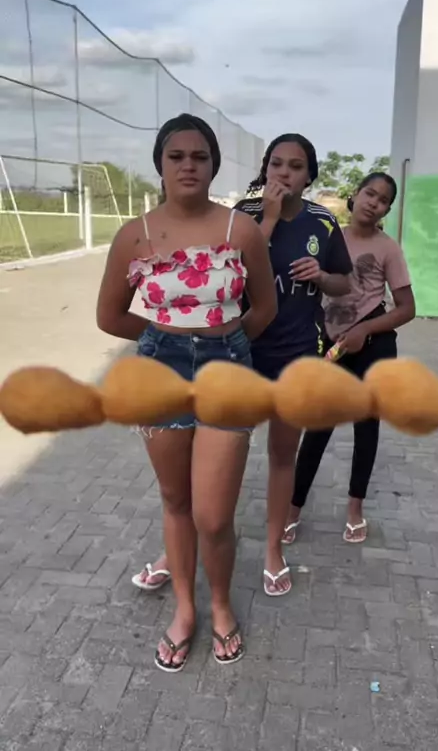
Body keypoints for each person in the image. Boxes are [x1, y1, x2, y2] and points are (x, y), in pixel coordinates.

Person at [96, 113, 276, 672]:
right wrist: (164, 339)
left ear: (214, 165)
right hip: (161, 372)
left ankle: (221, 605)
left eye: (200, 156)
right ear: (161, 164)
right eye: (177, 156)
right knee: (176, 501)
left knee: (214, 516)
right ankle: (185, 610)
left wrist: (225, 343)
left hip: (227, 370)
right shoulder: (135, 235)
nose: (189, 166)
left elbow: (265, 308)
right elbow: (109, 316)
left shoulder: (240, 231)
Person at [234, 134, 353, 595]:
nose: (284, 173)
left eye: (296, 166)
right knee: (224, 453)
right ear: (265, 169)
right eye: (276, 164)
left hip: (297, 354)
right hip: (242, 352)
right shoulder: (243, 215)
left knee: (283, 455)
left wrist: (321, 275)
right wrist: (266, 218)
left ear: (309, 176)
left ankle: (272, 549)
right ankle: (197, 539)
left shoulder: (322, 222)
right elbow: (234, 274)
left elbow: (343, 283)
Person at [285, 172, 416, 546]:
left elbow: (407, 308)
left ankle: (355, 509)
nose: (374, 202)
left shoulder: (388, 249)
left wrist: (366, 330)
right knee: (318, 427)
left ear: (386, 210)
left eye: (383, 200)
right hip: (331, 342)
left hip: (374, 344)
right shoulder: (329, 238)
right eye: (369, 193)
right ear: (355, 195)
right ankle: (292, 510)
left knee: (366, 427)